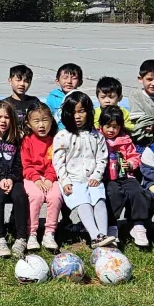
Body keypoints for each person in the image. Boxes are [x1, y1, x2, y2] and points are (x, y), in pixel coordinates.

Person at [52, 91, 112, 246]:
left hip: (92, 179)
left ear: (89, 112)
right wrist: (65, 181)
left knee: (99, 200)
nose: (77, 116)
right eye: (72, 112)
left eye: (81, 111)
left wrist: (96, 176)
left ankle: (104, 236)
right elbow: (58, 163)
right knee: (83, 203)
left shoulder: (96, 136)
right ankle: (95, 236)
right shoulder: (62, 136)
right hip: (73, 180)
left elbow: (102, 158)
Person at [98, 105, 152, 249]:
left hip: (126, 175)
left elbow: (135, 156)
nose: (111, 130)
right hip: (107, 177)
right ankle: (111, 226)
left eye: (115, 127)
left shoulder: (125, 139)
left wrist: (131, 164)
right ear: (101, 125)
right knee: (112, 194)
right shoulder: (97, 139)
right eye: (108, 126)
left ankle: (138, 225)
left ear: (120, 127)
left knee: (138, 192)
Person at [0, 100, 29, 258]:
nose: (3, 121)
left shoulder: (16, 139)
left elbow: (18, 163)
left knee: (20, 195)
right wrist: (1, 177)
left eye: (7, 117)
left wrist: (11, 178)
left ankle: (22, 237)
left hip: (13, 179)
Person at [21, 103, 62, 252]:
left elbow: (56, 162)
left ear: (51, 121)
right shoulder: (27, 141)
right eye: (36, 121)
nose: (41, 125)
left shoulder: (55, 140)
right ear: (29, 123)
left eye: (45, 120)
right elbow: (26, 164)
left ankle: (49, 233)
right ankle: (31, 233)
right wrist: (37, 178)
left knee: (56, 195)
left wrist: (49, 178)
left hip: (51, 178)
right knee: (36, 196)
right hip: (32, 178)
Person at [4, 64, 42, 131]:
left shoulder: (34, 101)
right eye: (18, 80)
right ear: (10, 81)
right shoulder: (5, 104)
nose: (22, 84)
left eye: (26, 81)